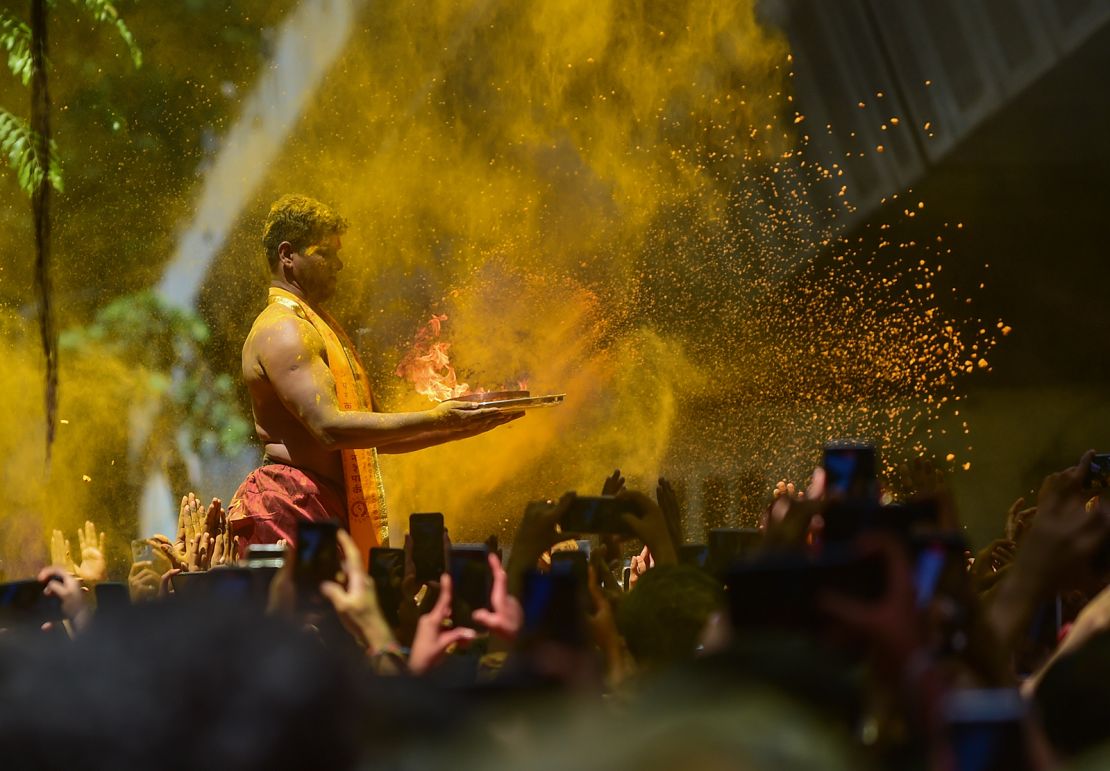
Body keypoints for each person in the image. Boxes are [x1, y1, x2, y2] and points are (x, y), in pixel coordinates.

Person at [227, 194, 519, 558]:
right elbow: (328, 428)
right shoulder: (285, 329)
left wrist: (460, 425)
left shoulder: (318, 327)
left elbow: (374, 434)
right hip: (290, 510)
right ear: (288, 255)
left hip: (323, 507)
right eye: (326, 253)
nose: (340, 264)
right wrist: (439, 417)